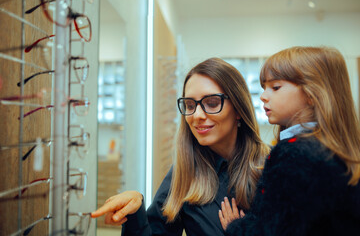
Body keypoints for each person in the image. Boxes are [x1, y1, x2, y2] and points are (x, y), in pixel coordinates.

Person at [91, 57, 270, 235]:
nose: (197, 115)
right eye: (190, 105)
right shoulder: (185, 173)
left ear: (238, 108)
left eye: (212, 103)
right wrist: (136, 212)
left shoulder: (274, 165)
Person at [219, 46, 360, 236]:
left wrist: (235, 227)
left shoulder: (296, 154)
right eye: (263, 87)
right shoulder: (332, 149)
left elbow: (275, 230)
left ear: (312, 94)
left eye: (275, 87)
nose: (263, 96)